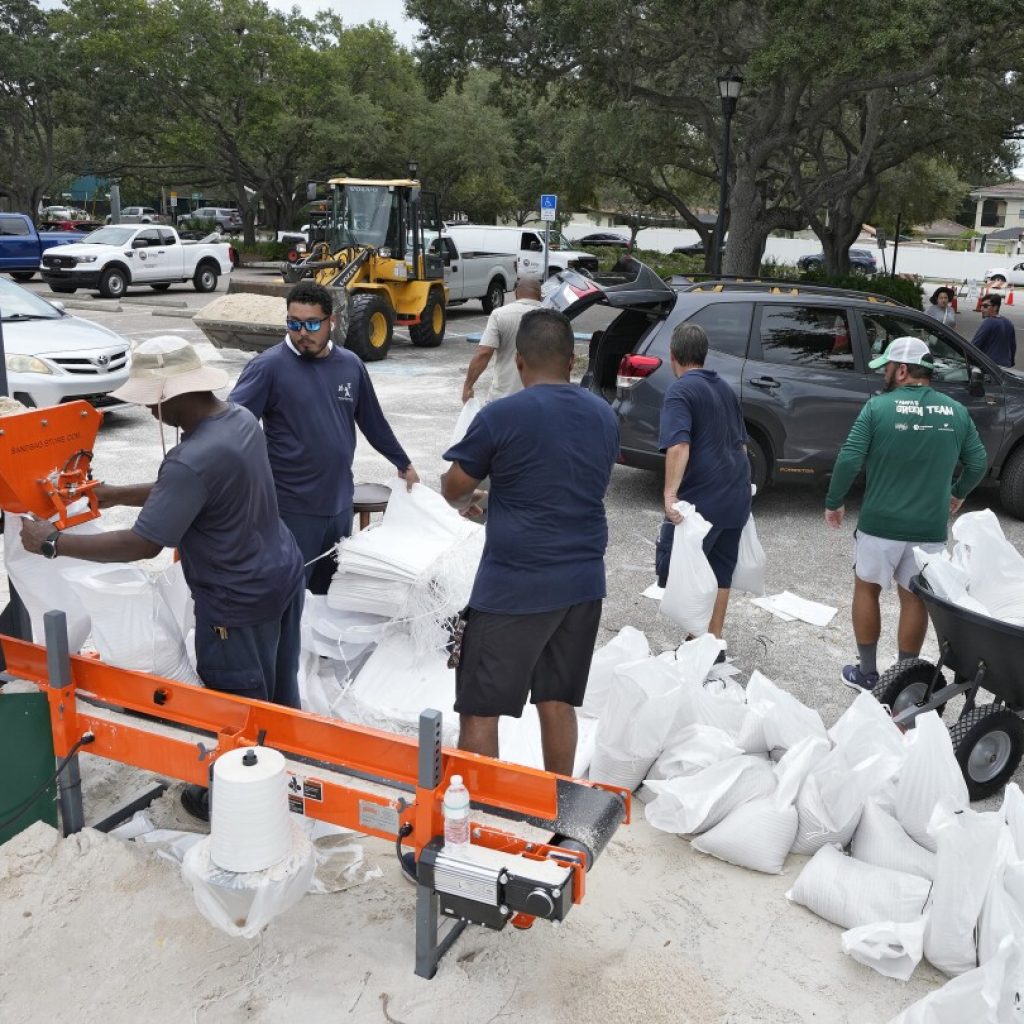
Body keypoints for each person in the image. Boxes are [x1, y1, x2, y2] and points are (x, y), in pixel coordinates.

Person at [19, 337, 306, 820]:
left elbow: (142, 544)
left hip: (236, 600)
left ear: (177, 394)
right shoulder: (237, 420)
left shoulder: (192, 457)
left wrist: (52, 542)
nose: (151, 409)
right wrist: (112, 495)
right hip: (280, 573)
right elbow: (188, 488)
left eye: (154, 399)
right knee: (279, 691)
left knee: (235, 708)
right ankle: (285, 774)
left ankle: (240, 803)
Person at [441, 308, 619, 775]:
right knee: (557, 699)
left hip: (515, 585)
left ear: (518, 361)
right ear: (573, 359)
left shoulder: (502, 415)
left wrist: (475, 496)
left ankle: (480, 818)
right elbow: (557, 479)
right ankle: (556, 802)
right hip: (582, 583)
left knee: (480, 704)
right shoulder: (604, 415)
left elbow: (454, 488)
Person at [230, 282, 419, 594]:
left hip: (339, 505)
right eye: (294, 324)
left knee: (330, 594)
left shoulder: (350, 365)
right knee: (288, 596)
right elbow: (231, 423)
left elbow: (373, 421)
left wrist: (403, 462)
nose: (302, 332)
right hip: (291, 508)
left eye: (312, 324)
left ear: (332, 321)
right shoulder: (268, 367)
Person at [824, 336, 988, 691]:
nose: (883, 373)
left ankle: (867, 673)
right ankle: (902, 680)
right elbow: (978, 462)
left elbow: (850, 457)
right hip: (928, 529)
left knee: (866, 589)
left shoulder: (877, 408)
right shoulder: (956, 412)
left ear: (901, 370)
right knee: (914, 598)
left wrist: (835, 500)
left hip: (879, 524)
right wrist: (958, 494)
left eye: (886, 367)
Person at [658, 323, 751, 641]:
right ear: (704, 354)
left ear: (673, 356)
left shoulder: (680, 391)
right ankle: (711, 644)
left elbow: (679, 445)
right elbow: (742, 445)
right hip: (736, 495)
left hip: (704, 502)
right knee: (719, 570)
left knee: (677, 569)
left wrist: (670, 495)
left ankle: (697, 641)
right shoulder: (723, 387)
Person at [461, 276, 542, 404]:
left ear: (516, 293)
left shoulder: (500, 315)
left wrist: (468, 386)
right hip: (541, 400)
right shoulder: (554, 317)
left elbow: (484, 353)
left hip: (504, 398)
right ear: (540, 295)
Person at [972, 292, 1017, 368]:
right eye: (981, 306)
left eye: (985, 306)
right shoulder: (1008, 322)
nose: (981, 309)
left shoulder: (989, 322)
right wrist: (1011, 362)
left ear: (995, 307)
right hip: (1006, 366)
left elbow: (975, 344)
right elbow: (1013, 346)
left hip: (990, 367)